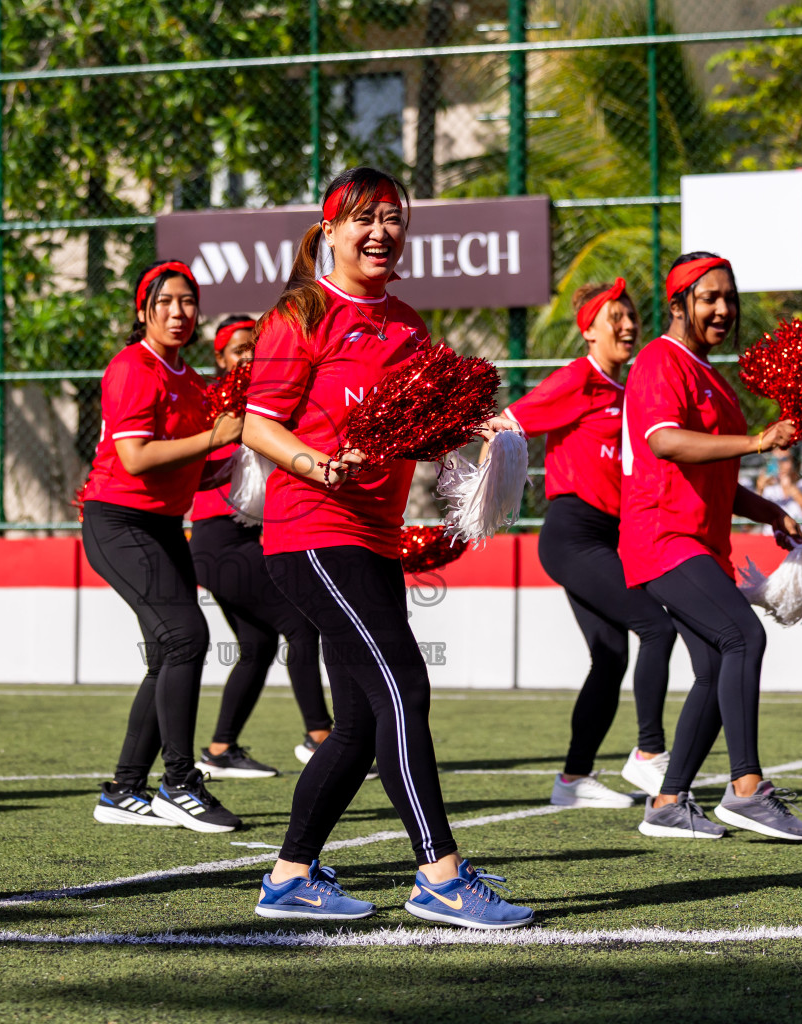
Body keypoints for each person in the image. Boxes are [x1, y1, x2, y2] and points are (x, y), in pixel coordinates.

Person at [242, 166, 534, 928]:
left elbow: (420, 429)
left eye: (393, 217)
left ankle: (290, 877)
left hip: (372, 539)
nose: (380, 231)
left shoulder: (406, 321)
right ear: (329, 231)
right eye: (363, 218)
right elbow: (257, 423)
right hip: (311, 531)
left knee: (363, 722)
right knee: (405, 685)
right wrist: (313, 462)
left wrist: (481, 430)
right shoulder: (300, 313)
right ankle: (439, 874)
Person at [621, 252, 802, 842]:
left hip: (697, 542)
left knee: (710, 669)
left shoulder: (710, 376)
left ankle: (668, 802)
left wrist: (771, 511)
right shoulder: (660, 359)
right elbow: (667, 444)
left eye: (729, 298)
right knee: (744, 637)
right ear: (678, 305)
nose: (723, 309)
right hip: (663, 537)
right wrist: (758, 440)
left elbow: (716, 477)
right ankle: (747, 787)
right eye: (709, 297)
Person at [484, 278, 677, 809]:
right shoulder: (578, 378)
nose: (628, 326)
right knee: (656, 626)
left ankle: (571, 782)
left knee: (611, 655)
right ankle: (648, 754)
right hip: (574, 533)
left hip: (614, 535)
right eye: (615, 317)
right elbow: (508, 423)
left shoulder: (630, 389)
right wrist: (479, 488)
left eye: (632, 316)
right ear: (588, 331)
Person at [82, 261, 244, 832]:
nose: (179, 313)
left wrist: (240, 464)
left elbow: (192, 470)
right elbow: (134, 458)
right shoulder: (133, 367)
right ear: (143, 310)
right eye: (166, 301)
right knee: (187, 638)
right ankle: (178, 782)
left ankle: (124, 789)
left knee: (168, 652)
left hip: (163, 524)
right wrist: (214, 437)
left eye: (188, 302)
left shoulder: (192, 378)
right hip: (118, 522)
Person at [190, 316, 335, 780]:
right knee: (300, 622)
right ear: (220, 359)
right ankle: (319, 737)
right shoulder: (218, 403)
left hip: (250, 535)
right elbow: (206, 468)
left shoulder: (274, 398)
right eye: (238, 350)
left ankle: (219, 749)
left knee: (256, 643)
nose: (249, 357)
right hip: (219, 536)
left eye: (256, 347)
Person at [755, 451, 802, 521]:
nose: (779, 464)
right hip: (772, 532)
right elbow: (750, 522)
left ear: (797, 463)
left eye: (784, 459)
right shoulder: (768, 488)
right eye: (774, 460)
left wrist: (792, 489)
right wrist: (759, 490)